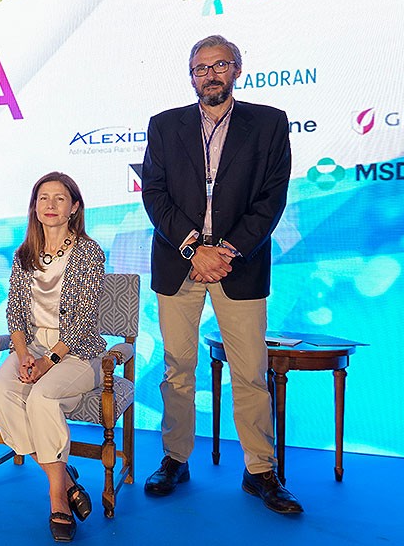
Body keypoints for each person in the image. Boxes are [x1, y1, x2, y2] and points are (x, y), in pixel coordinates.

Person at [140, 35, 302, 514]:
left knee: (250, 372)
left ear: (237, 68)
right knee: (177, 370)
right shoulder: (165, 126)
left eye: (219, 65)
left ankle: (260, 470)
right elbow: (155, 195)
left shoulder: (269, 123)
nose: (209, 75)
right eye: (199, 68)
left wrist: (225, 250)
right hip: (179, 263)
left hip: (240, 264)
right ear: (190, 75)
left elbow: (271, 198)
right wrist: (195, 248)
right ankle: (175, 458)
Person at [0, 172, 106, 542]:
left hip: (77, 354)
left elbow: (82, 321)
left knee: (41, 397)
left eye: (59, 198)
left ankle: (56, 496)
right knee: (2, 391)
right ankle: (65, 476)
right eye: (43, 198)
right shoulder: (23, 254)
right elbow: (15, 315)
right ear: (34, 207)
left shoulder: (88, 253)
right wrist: (23, 356)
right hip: (34, 348)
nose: (50, 205)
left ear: (74, 207)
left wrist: (46, 364)